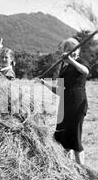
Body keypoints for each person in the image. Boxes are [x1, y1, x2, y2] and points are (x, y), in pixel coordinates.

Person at [39, 37, 90, 166]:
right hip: (65, 105)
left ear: (78, 51)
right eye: (69, 49)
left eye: (75, 49)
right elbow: (60, 91)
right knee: (63, 138)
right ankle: (69, 168)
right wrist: (45, 84)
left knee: (74, 138)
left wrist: (71, 60)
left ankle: (82, 170)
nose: (72, 52)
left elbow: (85, 71)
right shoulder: (64, 69)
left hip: (77, 104)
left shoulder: (80, 63)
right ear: (64, 51)